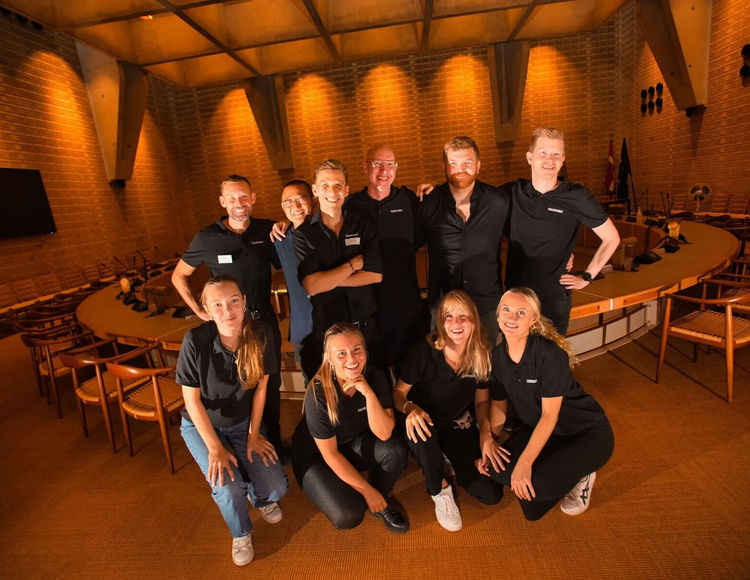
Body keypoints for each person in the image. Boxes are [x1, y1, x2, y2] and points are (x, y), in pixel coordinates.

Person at [171, 175, 286, 460]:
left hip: (262, 322)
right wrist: (200, 310)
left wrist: (286, 225)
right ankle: (238, 441)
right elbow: (179, 276)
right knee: (238, 388)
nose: (239, 203)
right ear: (223, 202)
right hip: (228, 327)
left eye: (244, 196)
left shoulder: (266, 230)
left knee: (270, 386)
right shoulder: (207, 238)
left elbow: (288, 254)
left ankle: (270, 441)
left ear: (253, 198)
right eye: (232, 198)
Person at [176, 276, 288, 566]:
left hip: (242, 421)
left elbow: (261, 389)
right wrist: (214, 447)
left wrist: (253, 434)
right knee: (226, 484)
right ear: (207, 310)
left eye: (234, 301)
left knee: (276, 487)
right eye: (218, 304)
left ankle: (258, 496)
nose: (227, 310)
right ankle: (241, 533)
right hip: (202, 425)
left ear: (244, 302)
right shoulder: (195, 341)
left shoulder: (260, 334)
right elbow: (191, 401)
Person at [477, 287, 614, 521]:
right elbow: (499, 404)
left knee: (533, 488)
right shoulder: (497, 357)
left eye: (521, 313)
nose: (511, 317)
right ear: (498, 314)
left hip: (585, 433)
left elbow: (550, 416)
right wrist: (491, 442)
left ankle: (583, 474)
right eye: (506, 310)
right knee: (494, 469)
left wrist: (525, 464)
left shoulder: (549, 355)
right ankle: (557, 468)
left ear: (533, 320)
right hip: (543, 431)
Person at [393, 290, 502, 532]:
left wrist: (485, 433)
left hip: (456, 423)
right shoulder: (424, 350)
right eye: (449, 316)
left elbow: (481, 403)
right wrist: (411, 409)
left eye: (463, 316)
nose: (456, 323)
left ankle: (446, 458)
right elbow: (398, 394)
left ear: (474, 320)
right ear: (441, 322)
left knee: (490, 494)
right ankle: (440, 489)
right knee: (423, 435)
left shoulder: (482, 354)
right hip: (421, 419)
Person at [290, 322, 409, 533]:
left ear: (365, 350)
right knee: (349, 515)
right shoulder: (318, 393)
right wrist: (365, 489)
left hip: (350, 444)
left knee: (395, 450)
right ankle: (366, 494)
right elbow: (330, 454)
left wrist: (368, 393)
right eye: (342, 354)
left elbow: (384, 433)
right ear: (329, 358)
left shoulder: (374, 376)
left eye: (356, 349)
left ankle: (380, 502)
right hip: (317, 457)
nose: (352, 359)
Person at [503, 128, 620, 334]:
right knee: (515, 353)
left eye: (556, 154)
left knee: (552, 353)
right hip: (516, 300)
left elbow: (612, 238)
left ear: (563, 159)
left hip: (553, 300)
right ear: (530, 157)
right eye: (543, 153)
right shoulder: (511, 193)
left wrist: (587, 277)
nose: (550, 160)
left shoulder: (577, 197)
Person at [417, 137, 510, 345]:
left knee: (487, 360)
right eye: (454, 163)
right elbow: (406, 247)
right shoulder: (428, 204)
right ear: (444, 166)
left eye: (467, 162)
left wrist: (565, 255)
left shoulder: (498, 201)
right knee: (445, 362)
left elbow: (525, 236)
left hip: (486, 304)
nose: (461, 169)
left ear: (478, 165)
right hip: (443, 308)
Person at [293, 159, 383, 370]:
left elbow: (375, 275)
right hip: (329, 332)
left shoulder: (362, 224)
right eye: (324, 185)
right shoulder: (303, 234)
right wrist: (352, 265)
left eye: (338, 185)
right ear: (315, 190)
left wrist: (327, 280)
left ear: (347, 190)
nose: (332, 192)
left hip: (366, 328)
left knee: (376, 384)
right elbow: (311, 286)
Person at [344, 145, 427, 371]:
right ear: (365, 166)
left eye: (390, 164)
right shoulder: (350, 206)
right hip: (366, 308)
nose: (384, 170)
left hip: (404, 305)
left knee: (410, 372)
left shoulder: (409, 201)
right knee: (373, 373)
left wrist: (436, 191)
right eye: (377, 164)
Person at [272, 179, 316, 381]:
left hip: (334, 326)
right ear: (282, 207)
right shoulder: (280, 238)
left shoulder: (327, 231)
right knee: (312, 387)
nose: (295, 206)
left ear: (313, 200)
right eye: (288, 202)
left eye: (301, 199)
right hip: (303, 328)